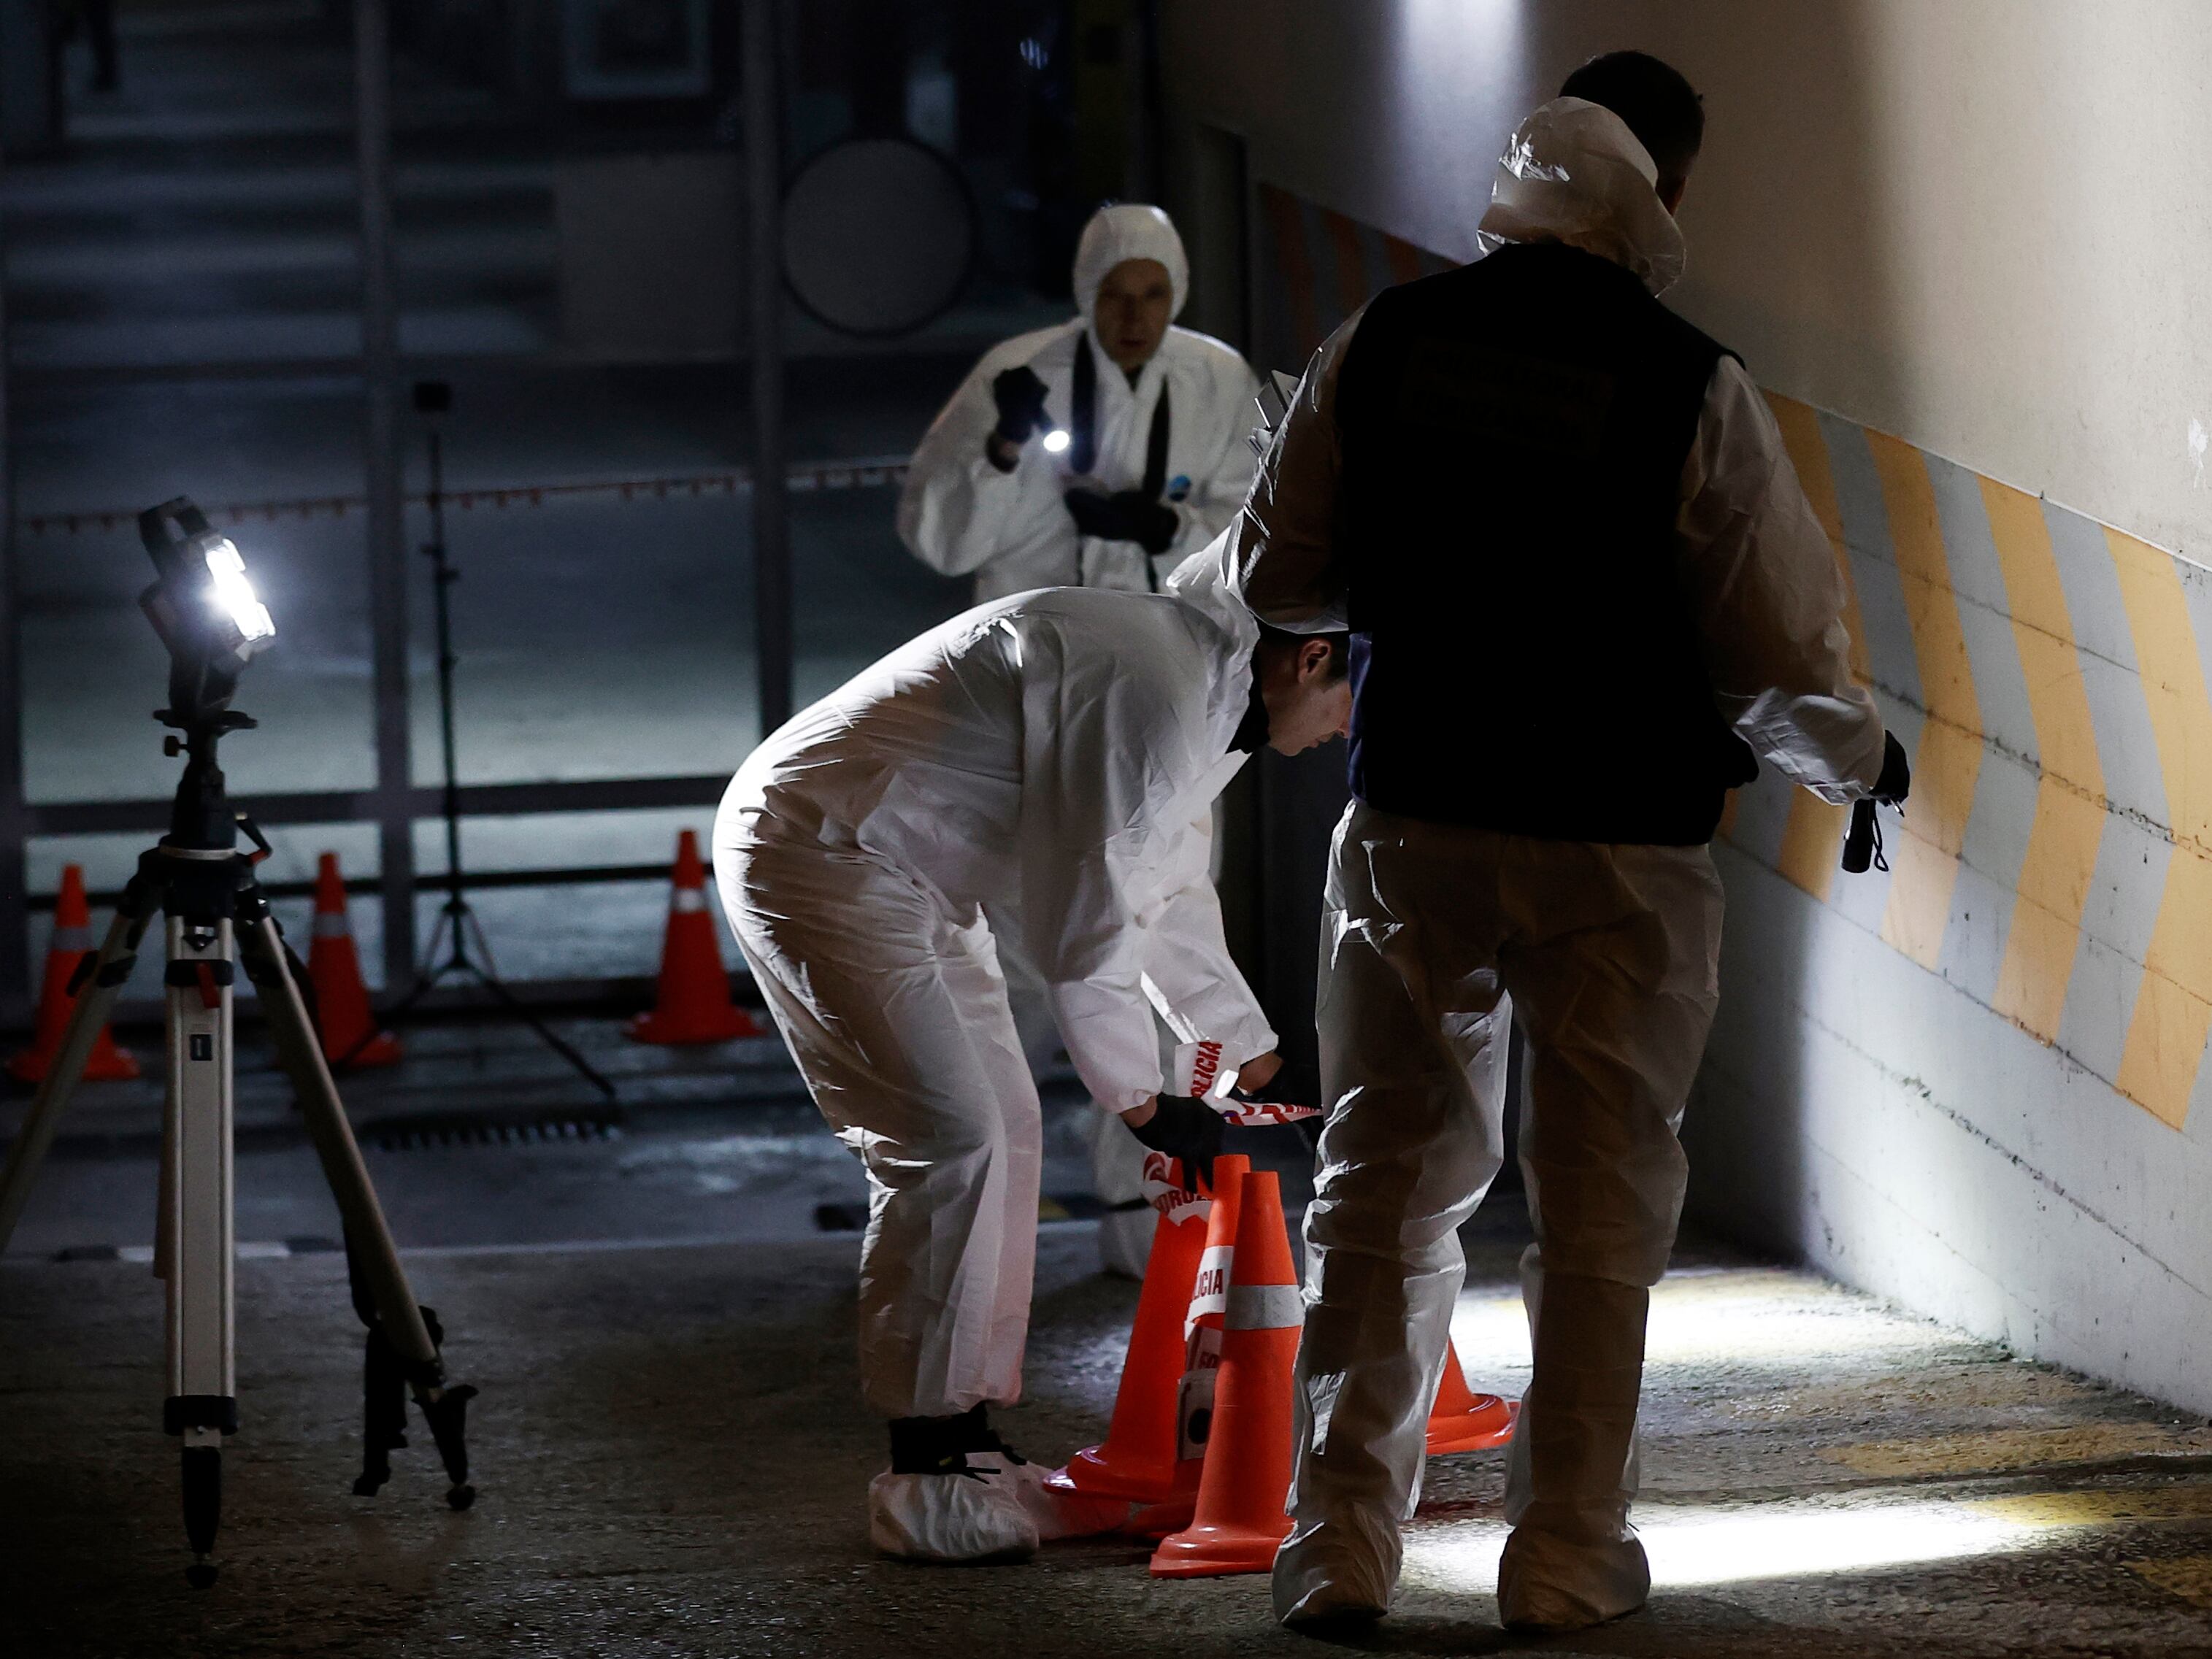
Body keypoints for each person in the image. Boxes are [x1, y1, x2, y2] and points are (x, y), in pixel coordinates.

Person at [1231, 53, 1912, 1636]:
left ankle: (1335, 1545)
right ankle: (1560, 1558)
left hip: (1416, 821)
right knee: (1600, 1210)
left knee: (1380, 1192)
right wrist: (1862, 759)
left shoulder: (1382, 341)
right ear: (1659, 198)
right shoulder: (1690, 382)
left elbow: (1283, 573)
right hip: (1620, 851)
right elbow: (1776, 658)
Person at [713, 539, 1349, 1564]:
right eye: (1351, 700)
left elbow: (1167, 896)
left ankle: (961, 1443)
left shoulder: (1201, 694)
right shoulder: (1155, 683)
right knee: (948, 1141)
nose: (1344, 732)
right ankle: (924, 1468)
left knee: (1002, 1127)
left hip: (904, 868)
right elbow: (1087, 926)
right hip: (819, 849)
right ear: (1313, 657)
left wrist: (1259, 1063)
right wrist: (1144, 1105)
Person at [897, 203, 1261, 600]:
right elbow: (943, 545)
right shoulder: (1017, 373)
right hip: (1036, 629)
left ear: (1177, 294)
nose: (1134, 318)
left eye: (1153, 295)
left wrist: (1173, 531)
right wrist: (1002, 450)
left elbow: (1259, 535)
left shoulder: (1220, 379)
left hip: (1169, 630)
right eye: (1115, 296)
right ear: (1088, 295)